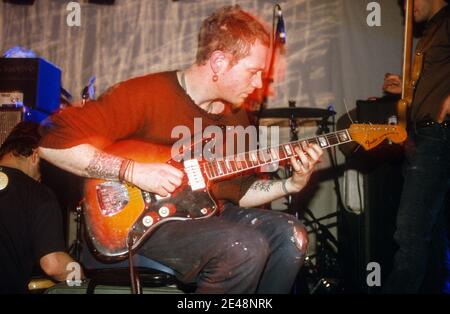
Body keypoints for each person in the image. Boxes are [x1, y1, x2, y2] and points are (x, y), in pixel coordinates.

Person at [38, 5, 323, 293]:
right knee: (244, 246)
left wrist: (290, 184)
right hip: (143, 223)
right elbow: (51, 144)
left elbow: (240, 192)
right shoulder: (144, 95)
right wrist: (133, 171)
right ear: (219, 62)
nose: (260, 83)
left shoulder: (236, 115)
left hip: (205, 216)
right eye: (254, 72)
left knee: (290, 235)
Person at [382, 0, 450, 293]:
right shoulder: (433, 30)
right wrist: (407, 88)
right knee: (430, 234)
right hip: (423, 135)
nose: (407, 8)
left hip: (437, 135)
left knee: (409, 231)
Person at [0, 121, 83, 294]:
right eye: (42, 171)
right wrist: (80, 276)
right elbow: (53, 264)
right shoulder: (37, 193)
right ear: (36, 155)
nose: (40, 178)